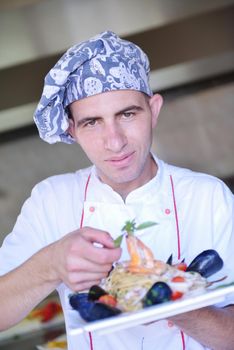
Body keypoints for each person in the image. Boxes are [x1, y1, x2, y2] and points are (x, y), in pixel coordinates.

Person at [0, 30, 233, 350]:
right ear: (72, 129)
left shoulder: (208, 197)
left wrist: (173, 300)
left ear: (153, 109)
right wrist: (51, 264)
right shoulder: (52, 200)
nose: (114, 141)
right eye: (92, 122)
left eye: (127, 114)